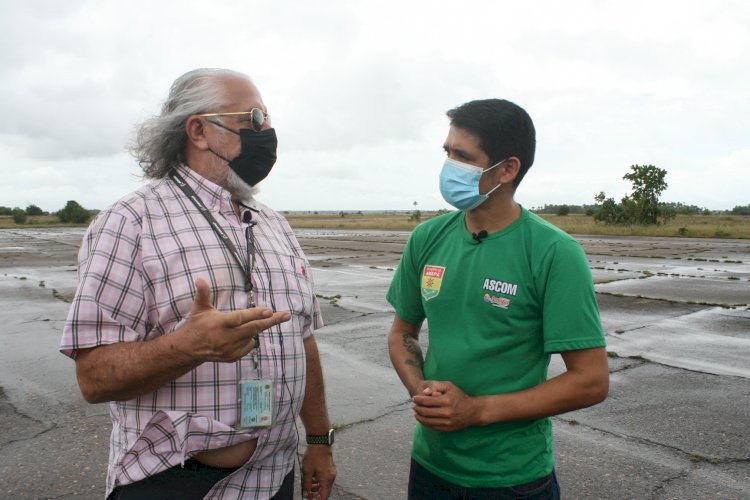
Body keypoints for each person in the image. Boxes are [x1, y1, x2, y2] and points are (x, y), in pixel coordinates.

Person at [60, 68, 336, 500]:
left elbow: (302, 339)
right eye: (255, 119)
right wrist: (187, 347)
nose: (269, 132)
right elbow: (93, 377)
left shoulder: (275, 225)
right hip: (172, 482)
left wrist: (319, 440)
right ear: (199, 130)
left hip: (273, 477)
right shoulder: (131, 222)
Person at [386, 98, 609, 499]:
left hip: (512, 479)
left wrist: (476, 411)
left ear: (507, 169)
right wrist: (420, 388)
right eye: (447, 152)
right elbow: (402, 331)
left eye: (463, 156)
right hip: (430, 467)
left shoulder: (553, 252)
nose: (449, 165)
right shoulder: (427, 238)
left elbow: (590, 381)